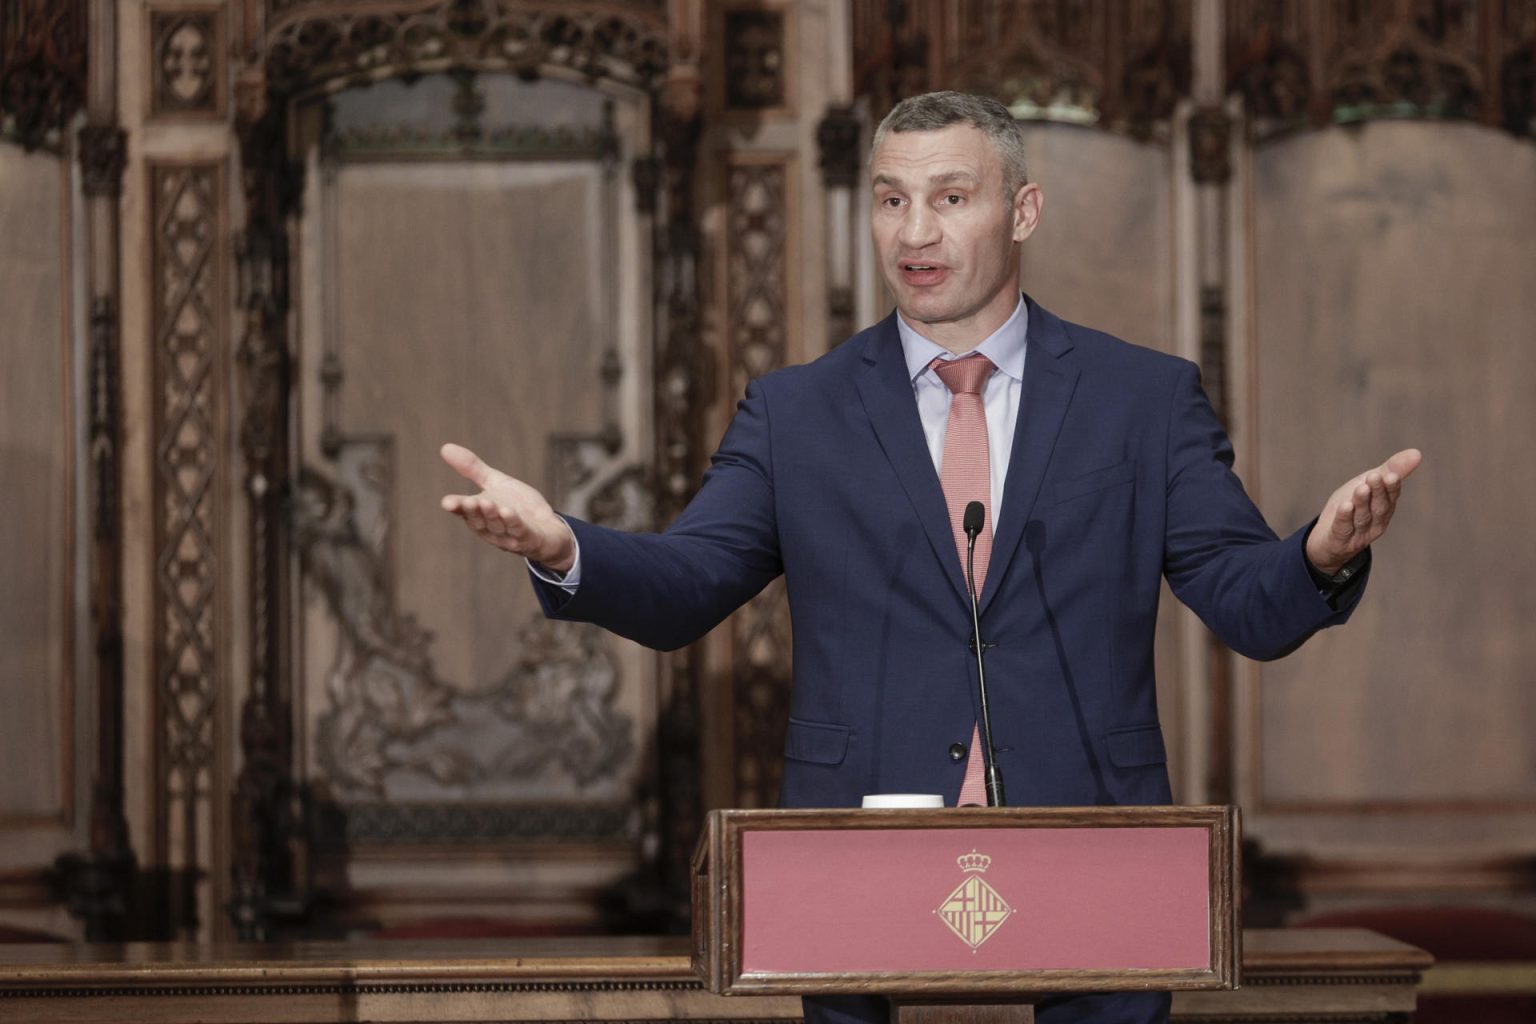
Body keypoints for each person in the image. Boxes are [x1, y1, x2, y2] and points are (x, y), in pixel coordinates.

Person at [440, 91, 1420, 1024]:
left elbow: (1245, 599)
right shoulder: (796, 413)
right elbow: (686, 587)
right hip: (862, 867)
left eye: (951, 199)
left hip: (1096, 861)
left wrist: (1320, 552)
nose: (916, 233)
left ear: (1023, 209)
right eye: (892, 200)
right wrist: (567, 547)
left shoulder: (1143, 401)